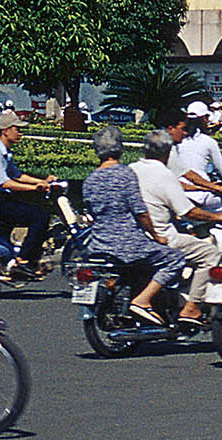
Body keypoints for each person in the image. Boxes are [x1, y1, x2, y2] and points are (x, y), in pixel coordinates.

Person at [81, 126, 190, 325]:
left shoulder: (90, 180)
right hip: (128, 244)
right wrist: (157, 236)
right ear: (120, 149)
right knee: (175, 258)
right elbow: (140, 211)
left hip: (97, 243)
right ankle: (143, 300)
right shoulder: (125, 174)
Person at [131, 131, 222, 327]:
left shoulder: (131, 169)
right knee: (210, 254)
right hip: (163, 237)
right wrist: (218, 216)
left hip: (136, 236)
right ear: (167, 152)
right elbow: (188, 211)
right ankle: (191, 307)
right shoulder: (165, 174)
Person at [0, 110, 64, 280]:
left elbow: (18, 175)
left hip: (0, 199)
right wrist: (35, 188)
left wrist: (43, 181)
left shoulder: (4, 152)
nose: (20, 133)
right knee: (38, 217)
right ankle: (23, 261)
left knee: (40, 214)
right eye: (17, 129)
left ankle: (29, 259)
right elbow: (4, 183)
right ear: (5, 130)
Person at [173, 102, 222, 213]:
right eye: (208, 117)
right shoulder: (209, 141)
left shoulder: (178, 140)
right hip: (200, 194)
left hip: (178, 191)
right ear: (204, 118)